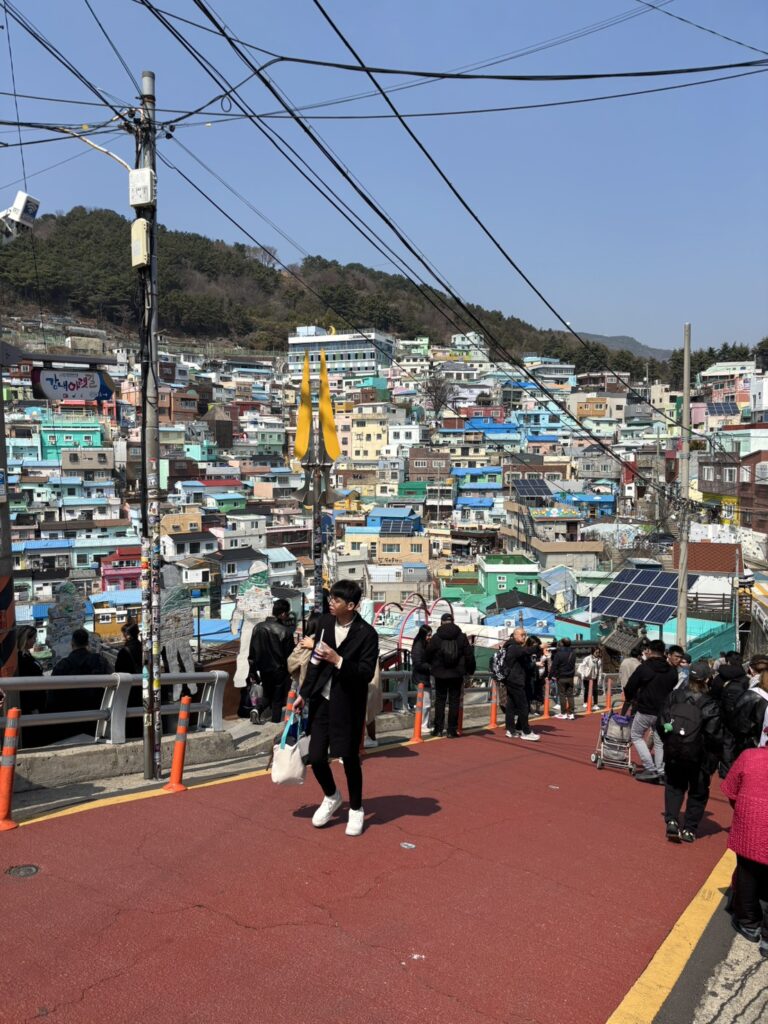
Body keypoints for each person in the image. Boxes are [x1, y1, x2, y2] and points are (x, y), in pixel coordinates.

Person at [292, 580, 379, 837]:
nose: (331, 603)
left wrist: (339, 660)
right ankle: (332, 795)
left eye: (337, 600)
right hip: (322, 700)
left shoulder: (367, 634)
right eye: (331, 598)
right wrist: (304, 694)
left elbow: (365, 673)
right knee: (316, 757)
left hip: (348, 703)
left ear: (351, 606)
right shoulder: (325, 623)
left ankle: (356, 808)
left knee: (349, 758)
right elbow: (316, 661)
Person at [660, 661, 722, 843]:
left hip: (674, 751)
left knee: (674, 786)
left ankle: (672, 819)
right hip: (698, 755)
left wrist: (670, 742)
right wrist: (713, 760)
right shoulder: (710, 704)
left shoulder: (675, 696)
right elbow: (714, 735)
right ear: (707, 679)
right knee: (698, 792)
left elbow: (661, 721)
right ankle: (689, 829)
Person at [721, 745, 768, 954]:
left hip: (752, 824)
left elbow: (731, 790)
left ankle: (749, 923)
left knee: (747, 873)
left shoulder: (750, 756)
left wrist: (744, 808)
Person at [624, 640, 682, 783]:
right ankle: (661, 771)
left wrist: (632, 698)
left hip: (646, 709)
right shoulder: (672, 671)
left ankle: (650, 768)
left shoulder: (644, 668)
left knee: (636, 735)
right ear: (664, 653)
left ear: (649, 651)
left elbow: (630, 687)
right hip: (663, 711)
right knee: (659, 740)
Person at [47, 628, 111, 742]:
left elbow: (52, 695)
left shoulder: (63, 665)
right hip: (96, 715)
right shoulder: (100, 661)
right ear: (87, 643)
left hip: (69, 718)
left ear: (72, 644)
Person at [425, 613, 475, 738]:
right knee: (454, 701)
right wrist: (470, 670)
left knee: (440, 701)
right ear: (453, 621)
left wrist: (432, 666)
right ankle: (452, 730)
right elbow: (469, 655)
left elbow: (428, 654)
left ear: (441, 622)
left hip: (440, 673)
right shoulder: (461, 637)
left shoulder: (436, 637)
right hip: (456, 674)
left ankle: (438, 729)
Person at [248, 599, 295, 724]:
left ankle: (257, 709)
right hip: (279, 670)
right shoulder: (285, 631)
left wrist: (252, 671)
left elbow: (252, 652)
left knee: (267, 694)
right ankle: (275, 723)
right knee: (277, 698)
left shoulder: (258, 627)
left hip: (263, 669)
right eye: (287, 614)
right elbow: (290, 655)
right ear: (283, 614)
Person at [498, 627, 541, 742]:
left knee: (511, 706)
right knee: (523, 706)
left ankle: (510, 730)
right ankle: (526, 732)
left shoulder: (509, 646)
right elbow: (526, 651)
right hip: (516, 680)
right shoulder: (514, 647)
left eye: (525, 635)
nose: (524, 637)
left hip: (511, 679)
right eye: (522, 635)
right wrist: (539, 647)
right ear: (515, 635)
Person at [115, 622, 144, 739]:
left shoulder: (125, 651)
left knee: (130, 717)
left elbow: (118, 671)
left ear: (127, 635)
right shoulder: (145, 648)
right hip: (145, 687)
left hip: (130, 690)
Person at [16, 625, 45, 715]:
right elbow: (26, 687)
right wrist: (33, 707)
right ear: (26, 639)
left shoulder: (26, 655)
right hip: (32, 704)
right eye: (34, 638)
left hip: (36, 699)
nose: (35, 641)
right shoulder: (21, 658)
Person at [410, 624, 432, 729]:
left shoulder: (423, 644)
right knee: (425, 703)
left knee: (426, 703)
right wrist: (430, 667)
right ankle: (423, 725)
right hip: (421, 678)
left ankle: (425, 724)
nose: (430, 637)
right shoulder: (418, 646)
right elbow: (418, 663)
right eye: (428, 635)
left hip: (423, 677)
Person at [551, 638, 577, 720]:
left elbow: (554, 666)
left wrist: (550, 676)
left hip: (561, 676)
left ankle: (564, 713)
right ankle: (571, 713)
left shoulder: (558, 654)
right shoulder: (573, 653)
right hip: (570, 676)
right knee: (570, 695)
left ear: (562, 644)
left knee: (562, 695)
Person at [578, 646, 602, 711]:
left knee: (595, 690)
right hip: (587, 677)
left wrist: (599, 678)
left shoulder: (599, 660)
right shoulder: (587, 658)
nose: (597, 654)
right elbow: (582, 666)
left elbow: (600, 670)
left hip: (594, 677)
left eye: (598, 652)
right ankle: (585, 702)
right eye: (596, 652)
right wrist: (583, 674)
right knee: (587, 690)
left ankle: (595, 704)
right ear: (592, 652)